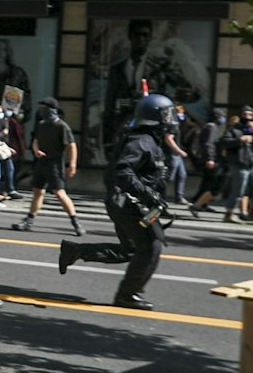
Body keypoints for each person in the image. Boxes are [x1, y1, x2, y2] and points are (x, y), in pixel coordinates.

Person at [57, 93, 177, 310]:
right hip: (128, 204)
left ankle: (75, 251)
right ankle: (128, 295)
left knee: (131, 249)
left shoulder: (150, 141)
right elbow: (123, 170)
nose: (171, 121)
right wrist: (147, 194)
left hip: (130, 203)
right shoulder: (142, 141)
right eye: (167, 115)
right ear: (156, 117)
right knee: (150, 247)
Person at [11, 98, 83, 235]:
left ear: (51, 109)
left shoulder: (62, 126)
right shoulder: (42, 124)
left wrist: (72, 164)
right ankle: (29, 221)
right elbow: (36, 141)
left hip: (55, 163)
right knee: (38, 192)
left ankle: (75, 222)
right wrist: (36, 150)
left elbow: (72, 145)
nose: (41, 111)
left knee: (60, 193)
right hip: (41, 162)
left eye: (44, 108)